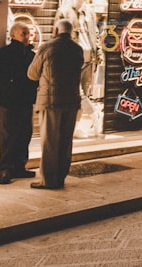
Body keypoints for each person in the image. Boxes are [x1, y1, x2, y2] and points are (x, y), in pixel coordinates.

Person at [27, 19, 84, 189]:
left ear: (55, 30)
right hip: (72, 101)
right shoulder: (78, 49)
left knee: (50, 141)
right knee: (65, 142)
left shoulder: (47, 47)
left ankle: (48, 180)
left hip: (51, 102)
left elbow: (32, 73)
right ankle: (60, 177)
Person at [0, 21, 39, 185]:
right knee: (9, 136)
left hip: (17, 101)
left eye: (28, 33)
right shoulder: (17, 55)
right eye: (23, 33)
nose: (27, 37)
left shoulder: (23, 55)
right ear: (13, 35)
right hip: (9, 102)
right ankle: (6, 168)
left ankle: (17, 166)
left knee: (21, 134)